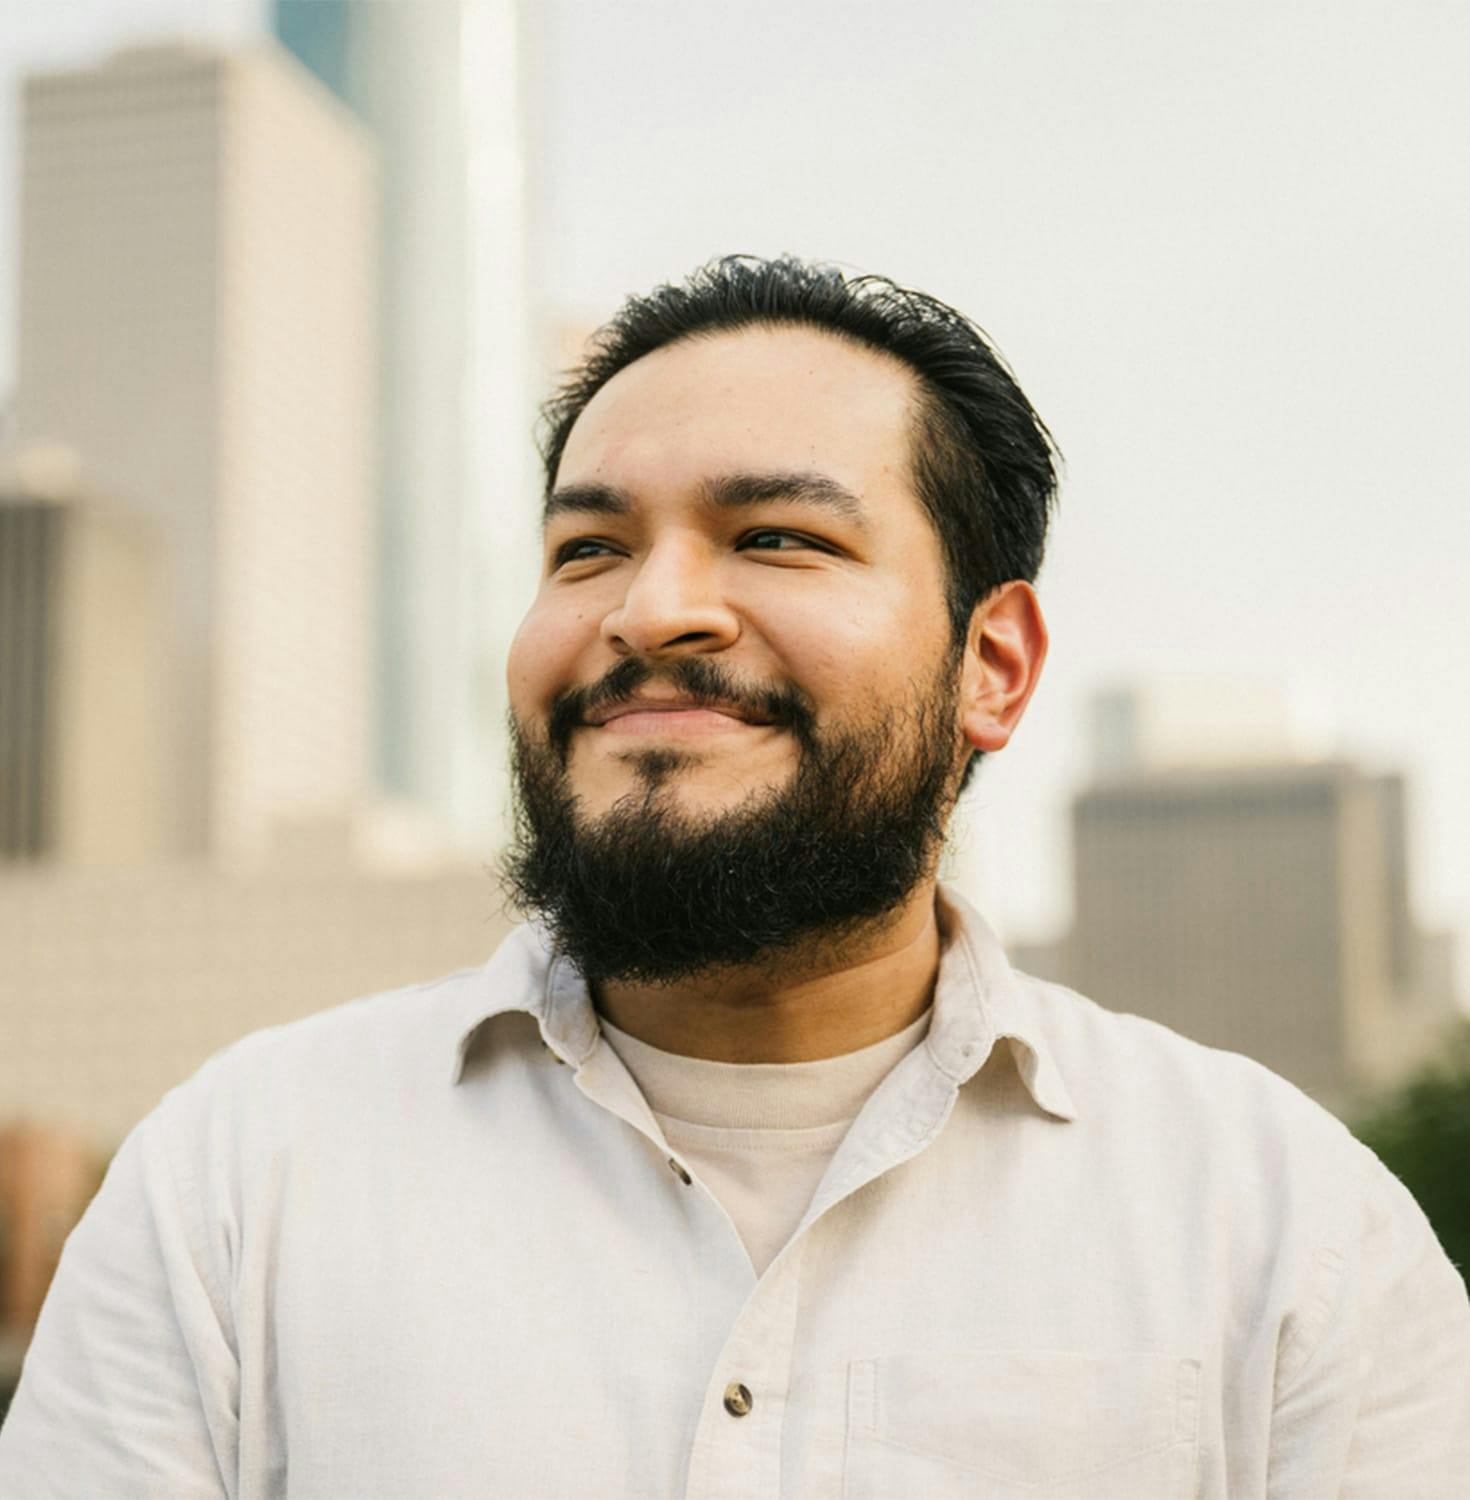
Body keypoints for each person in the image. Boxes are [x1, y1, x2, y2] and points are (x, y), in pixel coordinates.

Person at [1, 256, 1466, 1498]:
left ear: (993, 666)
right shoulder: (231, 1185)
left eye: (776, 536)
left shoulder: (1286, 1230)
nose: (652, 611)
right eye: (587, 548)